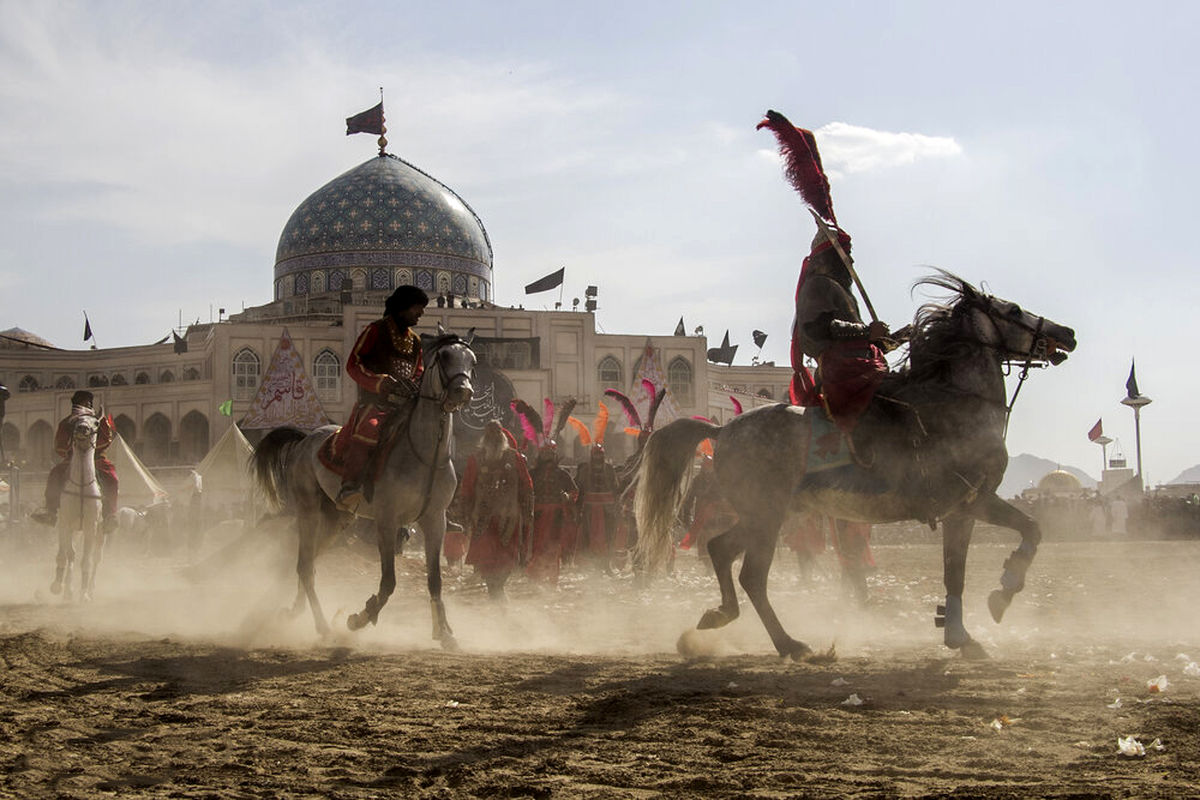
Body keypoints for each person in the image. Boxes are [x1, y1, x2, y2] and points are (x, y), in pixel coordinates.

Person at [756, 109, 894, 431]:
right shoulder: (818, 286)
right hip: (841, 372)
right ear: (830, 255)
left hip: (861, 364)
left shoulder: (839, 289)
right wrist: (865, 332)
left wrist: (886, 339)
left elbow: (857, 335)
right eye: (845, 253)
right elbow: (817, 330)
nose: (851, 260)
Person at [320, 284, 429, 508]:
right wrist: (380, 382)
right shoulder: (376, 331)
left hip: (407, 405)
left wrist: (415, 386)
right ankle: (349, 486)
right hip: (376, 403)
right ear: (403, 307)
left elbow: (418, 371)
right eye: (417, 308)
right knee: (370, 427)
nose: (421, 314)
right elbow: (353, 364)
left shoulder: (416, 341)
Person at [457, 421, 533, 599]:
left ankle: (498, 588)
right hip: (483, 517)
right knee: (486, 557)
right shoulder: (476, 459)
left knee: (506, 557)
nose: (493, 438)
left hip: (509, 516)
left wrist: (527, 508)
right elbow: (467, 487)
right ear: (485, 438)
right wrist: (465, 511)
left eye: (496, 434)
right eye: (490, 435)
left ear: (502, 436)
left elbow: (527, 485)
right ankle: (495, 589)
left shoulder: (515, 458)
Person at [34, 390, 119, 528]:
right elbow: (59, 446)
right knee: (55, 474)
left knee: (112, 477)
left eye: (89, 403)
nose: (88, 405)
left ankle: (110, 515)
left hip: (96, 460)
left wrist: (90, 448)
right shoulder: (67, 422)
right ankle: (50, 510)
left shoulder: (99, 421)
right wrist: (73, 449)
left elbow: (106, 439)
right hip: (73, 459)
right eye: (85, 403)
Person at [526, 440, 577, 586]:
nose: (547, 456)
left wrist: (566, 496)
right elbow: (525, 490)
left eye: (550, 453)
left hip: (556, 515)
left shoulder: (562, 474)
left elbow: (574, 491)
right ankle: (536, 578)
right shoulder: (533, 474)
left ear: (554, 455)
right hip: (538, 515)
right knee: (537, 547)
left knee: (554, 547)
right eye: (545, 453)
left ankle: (552, 580)